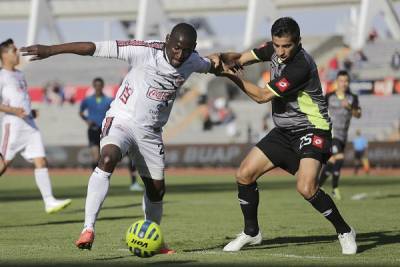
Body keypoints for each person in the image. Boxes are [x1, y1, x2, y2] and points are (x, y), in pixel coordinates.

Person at [21, 23, 220, 252]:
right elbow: (91, 48)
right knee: (107, 159)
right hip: (122, 120)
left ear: (193, 48)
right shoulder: (144, 51)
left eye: (186, 50)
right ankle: (88, 228)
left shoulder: (193, 60)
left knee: (156, 190)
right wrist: (50, 50)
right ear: (167, 39)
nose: (180, 55)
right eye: (176, 48)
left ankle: (151, 237)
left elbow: (214, 65)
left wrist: (237, 62)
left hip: (151, 132)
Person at [217, 17, 357, 254]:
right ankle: (252, 233)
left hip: (312, 128)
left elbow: (262, 96)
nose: (280, 52)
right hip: (284, 131)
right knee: (244, 174)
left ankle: (344, 230)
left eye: (286, 46)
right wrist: (219, 58)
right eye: (277, 45)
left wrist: (230, 75)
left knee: (306, 187)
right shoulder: (273, 48)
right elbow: (239, 58)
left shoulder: (301, 66)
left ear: (298, 42)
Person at [0, 39, 71, 214]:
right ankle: (49, 200)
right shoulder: (1, 75)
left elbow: (20, 98)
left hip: (29, 124)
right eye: (13, 50)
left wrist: (30, 111)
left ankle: (49, 201)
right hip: (13, 124)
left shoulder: (19, 74)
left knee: (40, 160)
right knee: (3, 163)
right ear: (4, 54)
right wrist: (13, 110)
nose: (16, 52)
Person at [79, 77, 143, 191]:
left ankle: (133, 183)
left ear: (102, 86)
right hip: (93, 129)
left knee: (122, 155)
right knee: (96, 157)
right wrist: (87, 120)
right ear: (94, 86)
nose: (98, 87)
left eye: (100, 85)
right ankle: (96, 183)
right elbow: (81, 112)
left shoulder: (109, 100)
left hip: (106, 129)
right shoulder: (87, 100)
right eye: (96, 85)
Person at [318, 70, 361, 200]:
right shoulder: (329, 96)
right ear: (337, 82)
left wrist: (349, 107)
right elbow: (321, 111)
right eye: (341, 81)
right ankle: (335, 188)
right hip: (330, 134)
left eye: (346, 81)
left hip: (343, 136)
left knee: (332, 162)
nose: (344, 83)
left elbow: (358, 114)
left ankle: (318, 186)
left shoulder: (352, 98)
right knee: (339, 158)